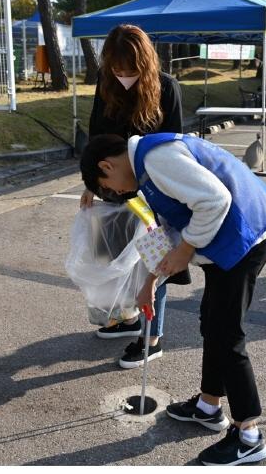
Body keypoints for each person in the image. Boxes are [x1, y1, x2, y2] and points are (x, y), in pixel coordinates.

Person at [80, 132, 266, 465]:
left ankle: (249, 435)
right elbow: (170, 227)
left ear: (107, 165)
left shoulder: (157, 159)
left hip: (244, 238)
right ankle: (208, 406)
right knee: (212, 324)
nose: (116, 193)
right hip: (225, 239)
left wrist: (186, 249)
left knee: (227, 334)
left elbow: (214, 201)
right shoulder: (145, 169)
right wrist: (150, 281)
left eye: (109, 186)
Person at [80, 24, 188, 369]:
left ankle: (150, 337)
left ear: (145, 63)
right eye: (117, 69)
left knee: (152, 261)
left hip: (152, 193)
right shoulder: (106, 83)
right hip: (112, 186)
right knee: (108, 255)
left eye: (130, 70)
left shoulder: (166, 88)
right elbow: (97, 134)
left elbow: (175, 147)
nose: (123, 75)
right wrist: (91, 182)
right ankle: (124, 318)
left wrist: (164, 196)